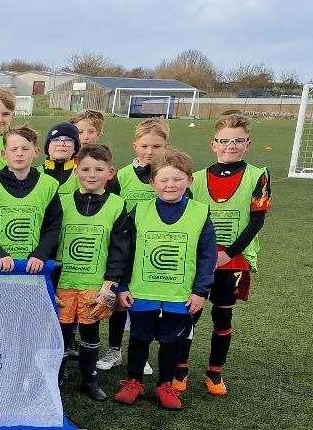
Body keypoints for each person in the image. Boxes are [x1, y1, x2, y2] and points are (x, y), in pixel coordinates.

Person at [112, 149, 215, 411]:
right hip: (142, 291)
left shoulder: (200, 213)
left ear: (190, 181)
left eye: (178, 179)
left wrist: (200, 291)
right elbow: (126, 251)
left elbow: (206, 255)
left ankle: (165, 385)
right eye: (164, 180)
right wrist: (122, 286)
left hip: (179, 294)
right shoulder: (139, 211)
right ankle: (134, 381)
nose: (171, 185)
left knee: (172, 341)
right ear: (152, 183)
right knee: (138, 338)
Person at [186, 111, 270, 396]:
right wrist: (206, 256)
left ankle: (215, 372)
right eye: (224, 141)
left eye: (237, 141)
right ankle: (180, 370)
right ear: (213, 143)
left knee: (222, 316)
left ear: (248, 143)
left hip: (234, 260)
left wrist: (229, 252)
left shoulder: (258, 175)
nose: (230, 146)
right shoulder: (195, 179)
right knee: (189, 315)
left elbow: (257, 220)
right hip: (200, 260)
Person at [53, 143, 130, 400]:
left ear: (110, 172)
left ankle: (89, 378)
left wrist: (111, 284)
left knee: (90, 332)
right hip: (62, 283)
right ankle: (57, 375)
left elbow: (119, 249)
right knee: (60, 332)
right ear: (76, 170)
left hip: (94, 285)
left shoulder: (118, 205)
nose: (91, 174)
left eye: (99, 169)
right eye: (85, 168)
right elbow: (50, 243)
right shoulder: (61, 202)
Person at [99, 118, 168, 372]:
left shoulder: (168, 177)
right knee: (119, 300)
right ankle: (115, 350)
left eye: (156, 146)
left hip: (153, 251)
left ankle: (142, 354)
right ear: (135, 146)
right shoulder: (123, 177)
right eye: (144, 146)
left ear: (165, 147)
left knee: (145, 303)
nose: (150, 152)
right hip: (125, 249)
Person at [0, 125, 60, 273]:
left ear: (36, 152)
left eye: (25, 149)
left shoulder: (49, 185)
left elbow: (53, 226)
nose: (19, 154)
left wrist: (40, 254)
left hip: (33, 268)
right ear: (4, 154)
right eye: (14, 149)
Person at [42, 121, 81, 190]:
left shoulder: (83, 175)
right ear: (48, 147)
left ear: (75, 149)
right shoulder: (34, 173)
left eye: (68, 140)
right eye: (56, 140)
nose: (61, 144)